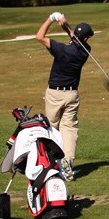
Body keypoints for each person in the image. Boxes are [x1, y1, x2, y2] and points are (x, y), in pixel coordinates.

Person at [35, 12, 94, 181]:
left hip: (55, 94)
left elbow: (39, 36)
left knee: (51, 128)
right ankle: (67, 161)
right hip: (72, 95)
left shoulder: (60, 49)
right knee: (69, 129)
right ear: (87, 39)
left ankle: (50, 164)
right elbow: (77, 40)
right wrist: (64, 24)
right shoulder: (85, 51)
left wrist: (51, 19)